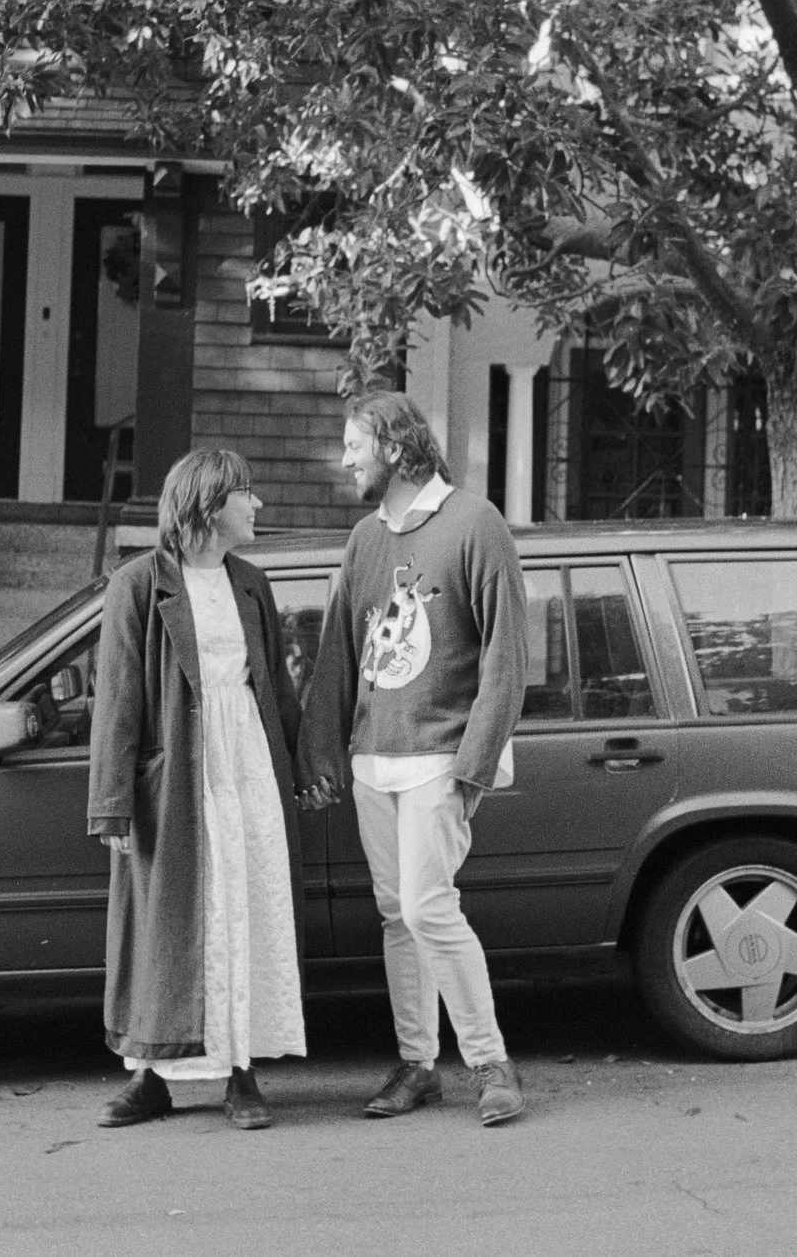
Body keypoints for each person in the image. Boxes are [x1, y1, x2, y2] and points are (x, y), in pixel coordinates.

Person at [299, 391, 529, 1126]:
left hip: (440, 756)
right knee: (397, 915)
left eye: (354, 445)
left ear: (395, 448)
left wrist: (476, 763)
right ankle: (418, 1065)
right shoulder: (366, 538)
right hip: (374, 759)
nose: (346, 459)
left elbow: (506, 655)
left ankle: (493, 1063)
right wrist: (322, 752)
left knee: (431, 908)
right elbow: (340, 650)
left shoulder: (475, 522)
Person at [88, 448, 308, 1130]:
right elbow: (117, 701)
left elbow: (276, 686)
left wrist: (304, 767)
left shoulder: (251, 584)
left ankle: (241, 1074)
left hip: (245, 769)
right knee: (169, 926)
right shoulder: (138, 583)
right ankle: (150, 1075)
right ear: (211, 505)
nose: (258, 506)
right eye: (248, 494)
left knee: (244, 909)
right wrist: (113, 804)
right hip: (176, 778)